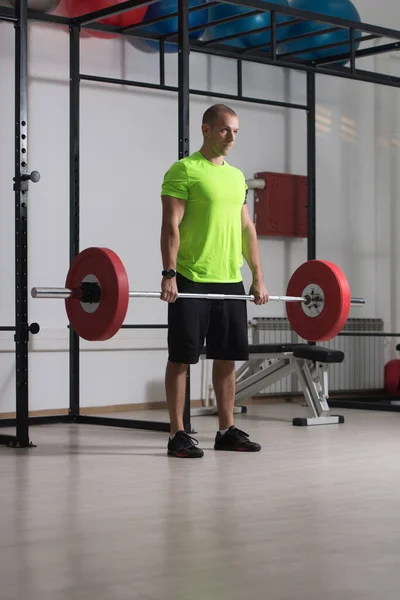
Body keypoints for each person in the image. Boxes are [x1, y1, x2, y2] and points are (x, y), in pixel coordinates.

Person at [160, 103, 269, 458]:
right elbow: (170, 224)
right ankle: (178, 433)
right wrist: (169, 272)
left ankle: (225, 430)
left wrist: (258, 277)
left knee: (227, 358)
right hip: (190, 278)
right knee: (182, 358)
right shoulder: (184, 170)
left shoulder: (237, 177)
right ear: (206, 130)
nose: (231, 137)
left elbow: (247, 228)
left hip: (229, 280)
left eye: (236, 131)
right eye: (225, 130)